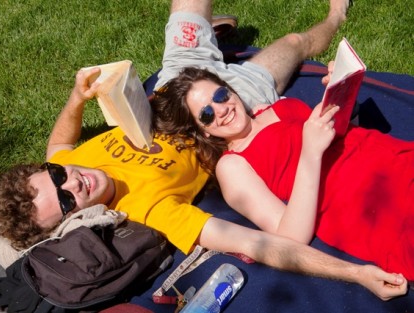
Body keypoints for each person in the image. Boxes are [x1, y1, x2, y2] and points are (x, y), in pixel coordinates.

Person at [0, 0, 408, 301]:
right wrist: (354, 272)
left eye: (56, 176)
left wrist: (77, 99)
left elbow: (58, 145)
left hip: (176, 83)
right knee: (294, 42)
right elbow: (265, 243)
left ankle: (213, 36)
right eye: (66, 200)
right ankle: (335, 13)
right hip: (221, 108)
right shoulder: (151, 208)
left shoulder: (66, 165)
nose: (71, 181)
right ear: (71, 222)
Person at [151, 63, 414, 282]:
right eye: (207, 114)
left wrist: (341, 92)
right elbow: (290, 236)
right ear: (204, 131)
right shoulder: (232, 166)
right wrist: (310, 151)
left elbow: (340, 132)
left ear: (230, 90)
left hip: (393, 158)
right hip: (371, 204)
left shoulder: (280, 107)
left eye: (221, 96)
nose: (222, 110)